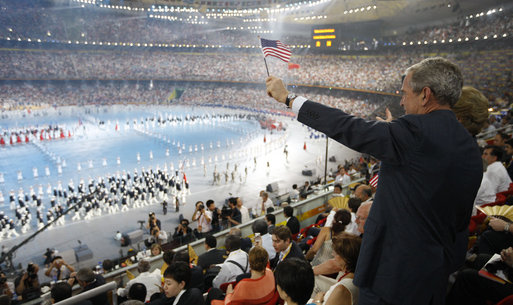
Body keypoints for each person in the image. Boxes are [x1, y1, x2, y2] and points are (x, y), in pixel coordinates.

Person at [266, 57, 483, 305]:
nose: (401, 101)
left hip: (392, 275)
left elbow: (349, 127)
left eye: (404, 93)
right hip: (434, 274)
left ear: (425, 95)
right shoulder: (470, 148)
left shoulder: (413, 133)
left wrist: (289, 99)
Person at [210, 246, 276, 305]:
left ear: (250, 262)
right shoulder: (270, 274)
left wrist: (229, 294)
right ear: (266, 261)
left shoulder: (243, 285)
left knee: (213, 293)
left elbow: (230, 303)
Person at [310, 234, 362, 305]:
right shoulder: (352, 275)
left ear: (346, 258)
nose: (333, 254)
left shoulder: (342, 288)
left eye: (337, 253)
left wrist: (317, 300)